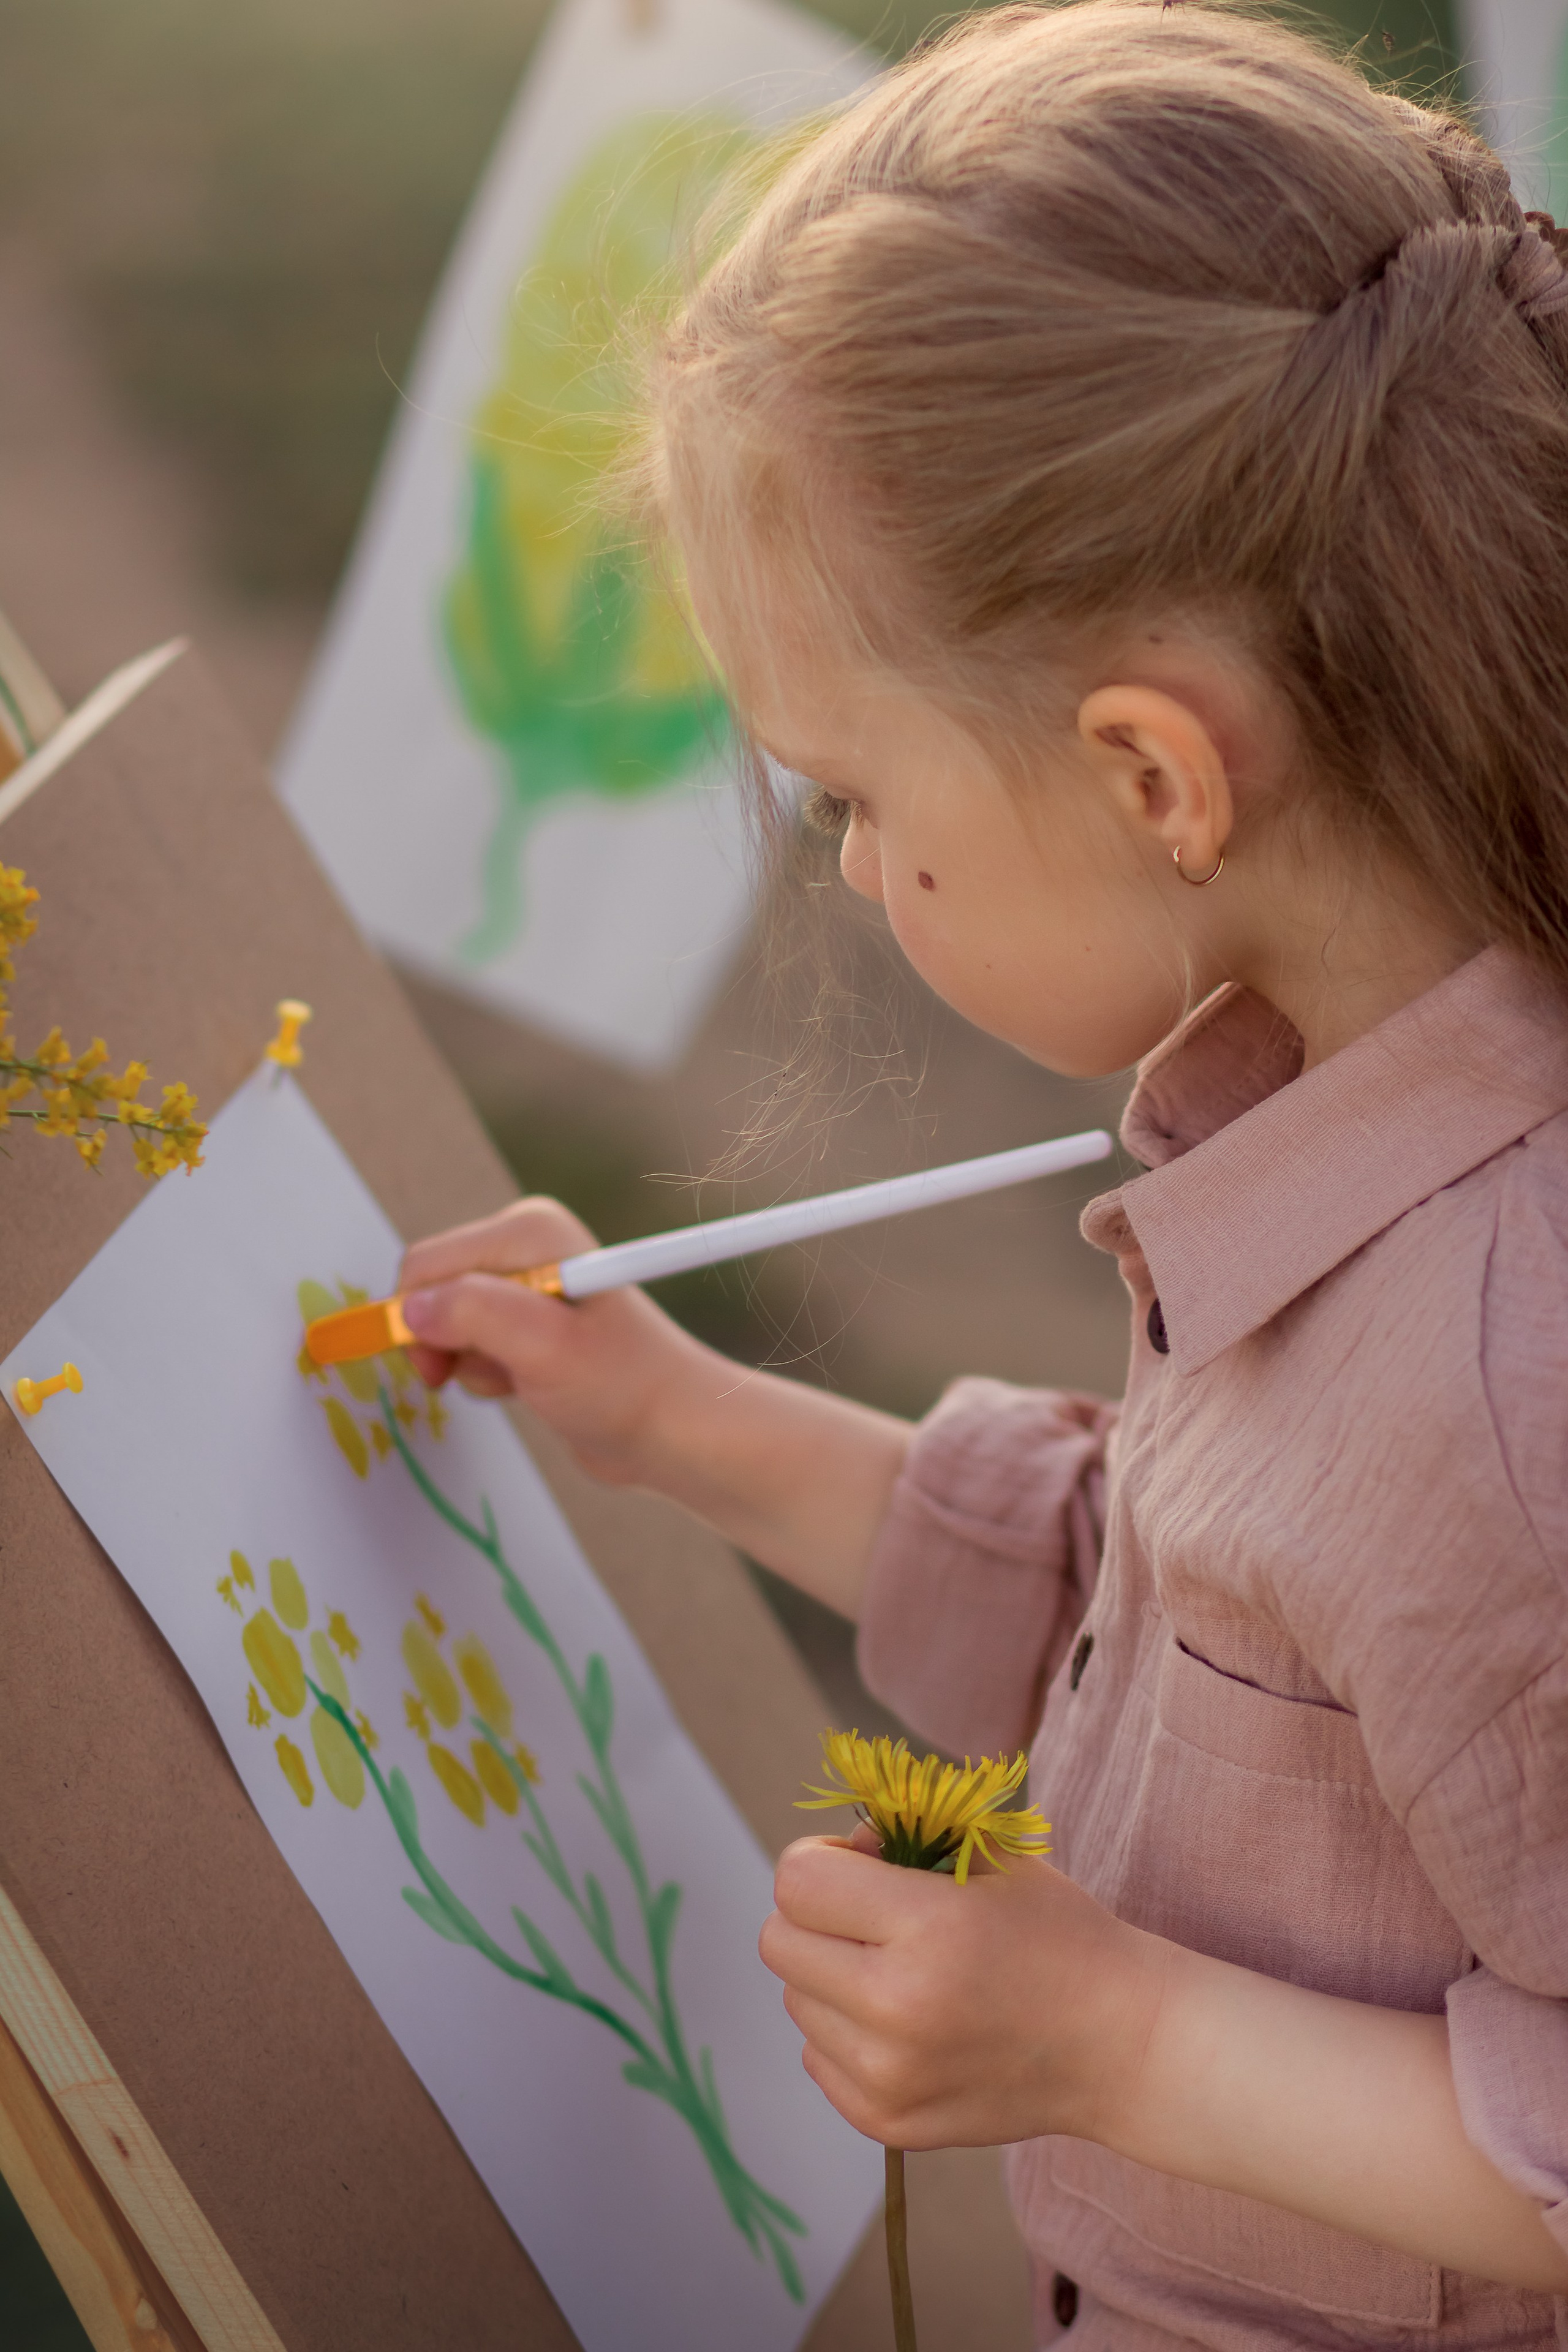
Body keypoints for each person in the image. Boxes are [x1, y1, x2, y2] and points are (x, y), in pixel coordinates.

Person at [395, 6, 1568, 2341]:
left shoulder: (1499, 1384)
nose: (844, 869)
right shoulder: (1336, 1105)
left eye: (852, 794)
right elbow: (1189, 1631)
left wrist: (1120, 2043)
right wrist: (677, 1419)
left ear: (1154, 778)